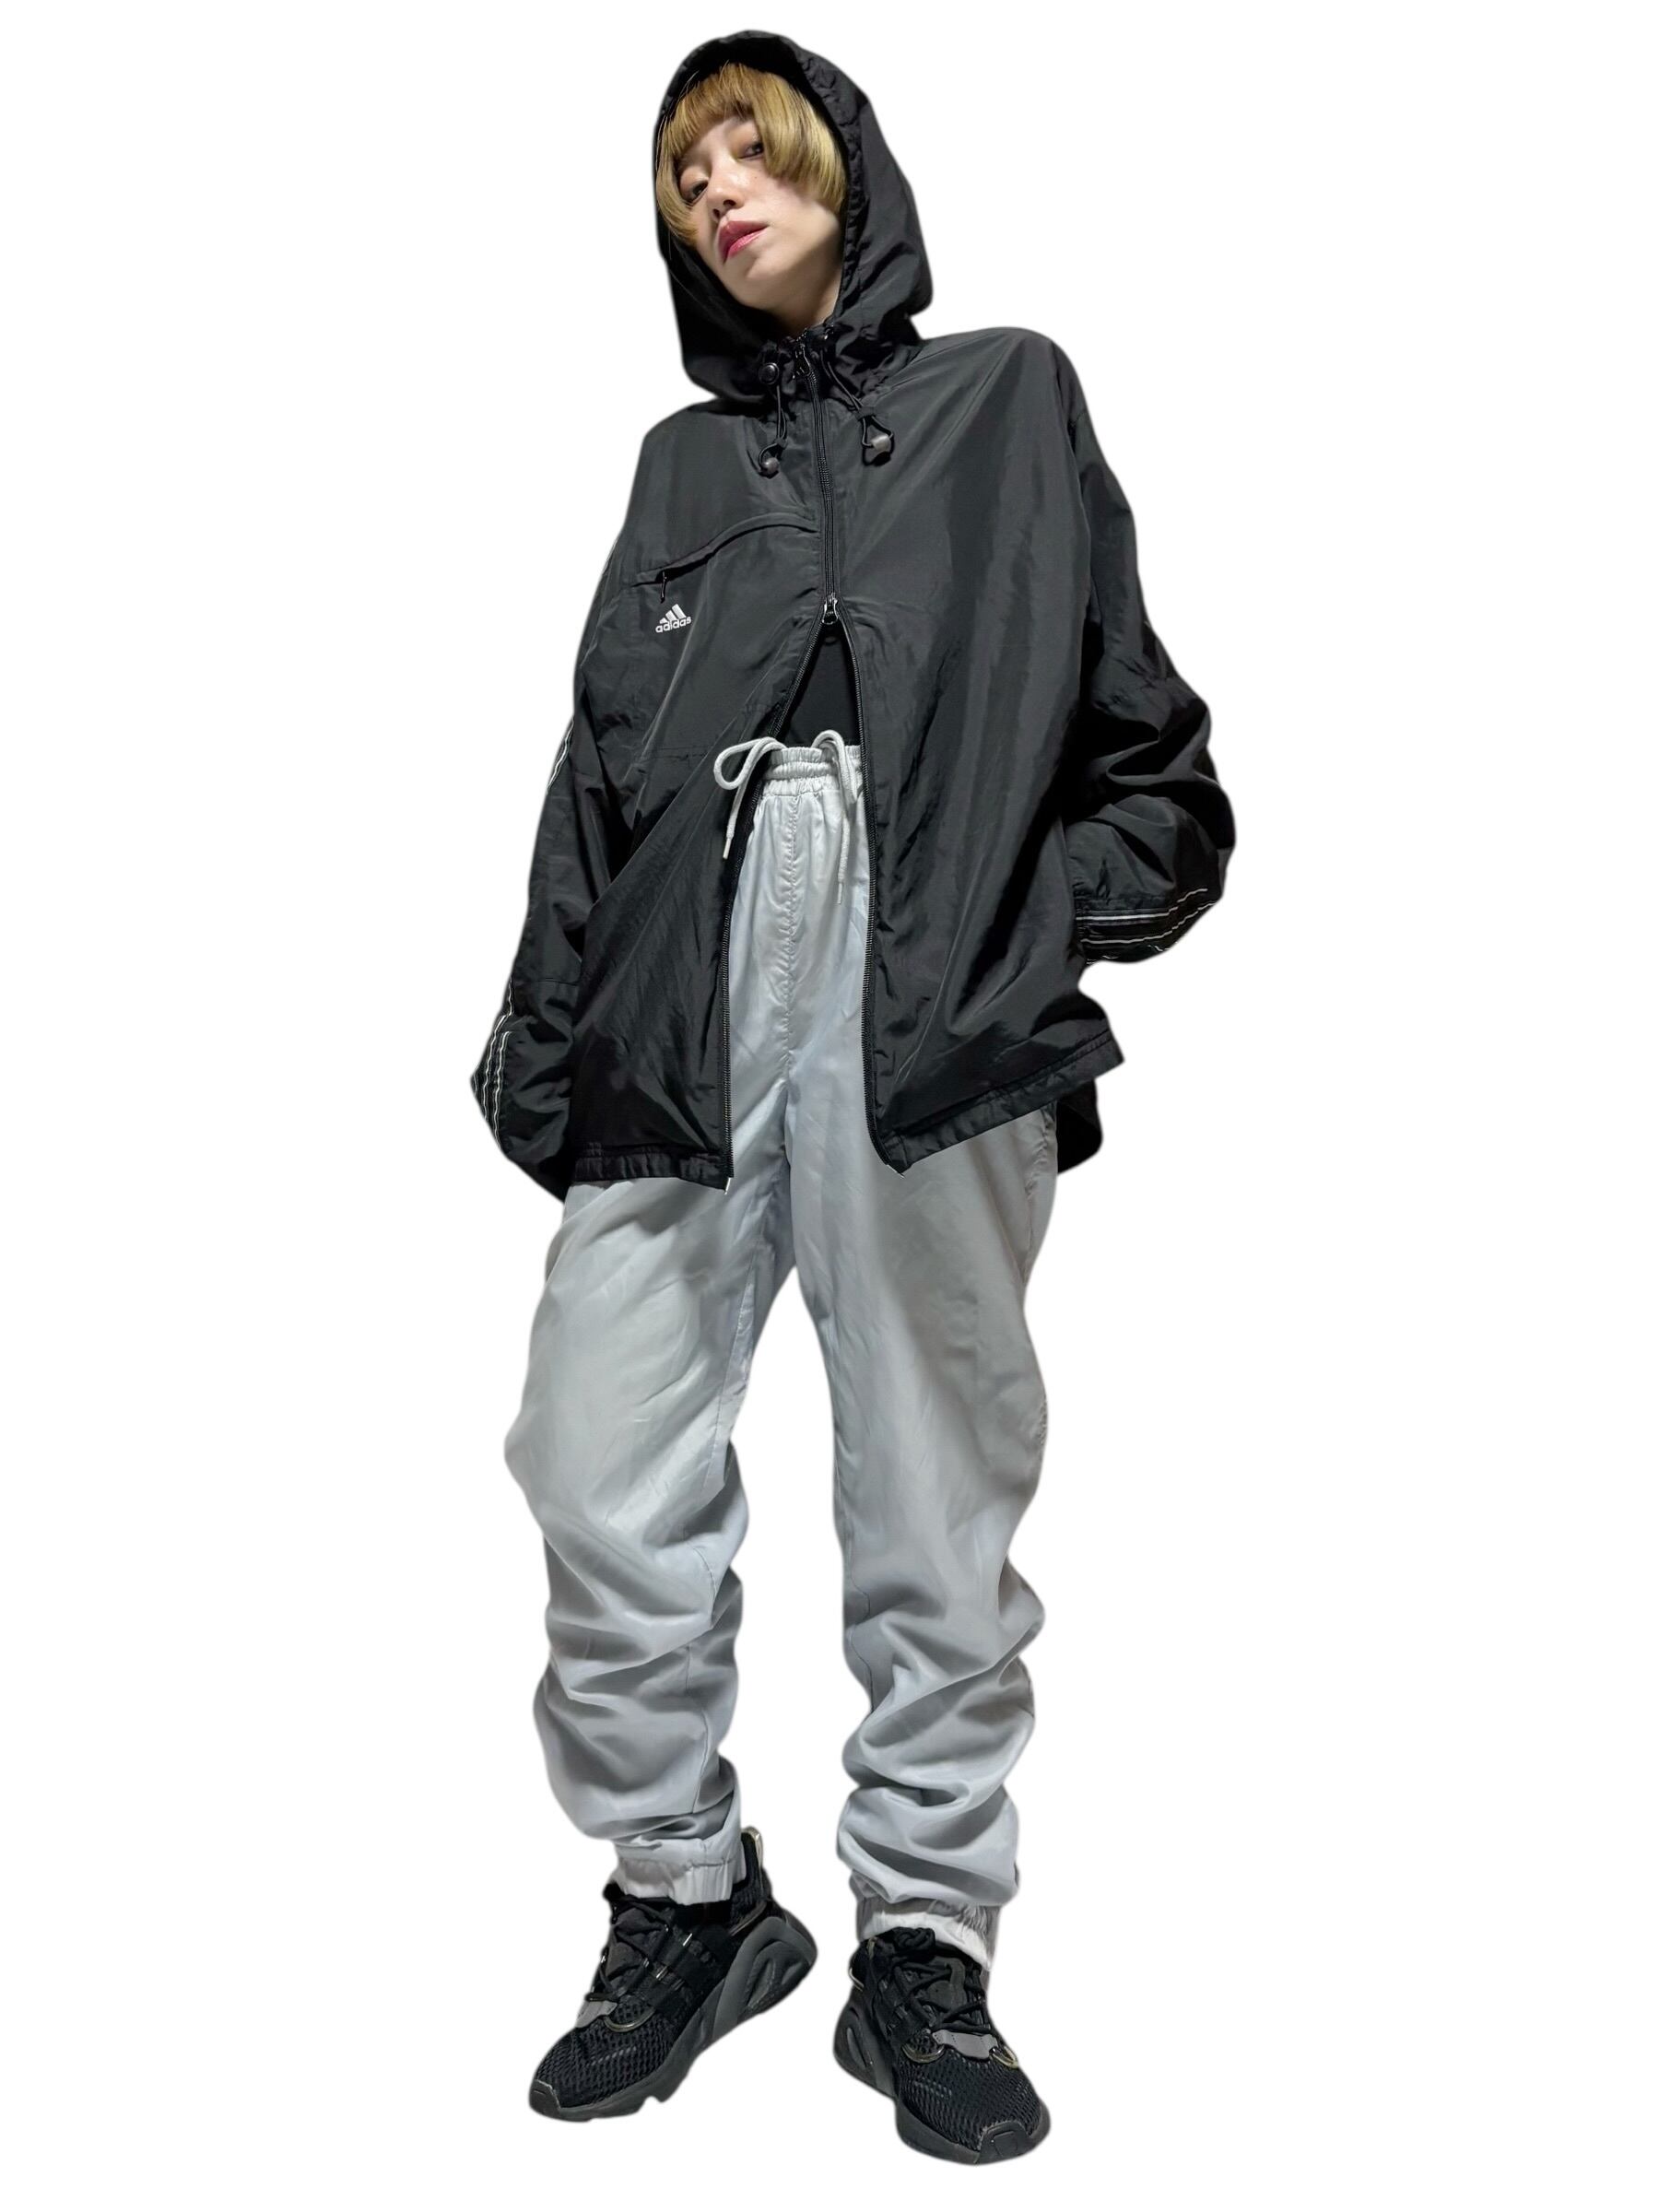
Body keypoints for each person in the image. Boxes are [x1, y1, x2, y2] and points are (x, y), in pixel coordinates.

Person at [470, 29, 1234, 2164]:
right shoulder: (676, 472)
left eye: (752, 148)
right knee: (594, 1470)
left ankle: (925, 1942)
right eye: (684, 173)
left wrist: (1013, 923)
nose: (718, 190)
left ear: (844, 169)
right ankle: (687, 1899)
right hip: (679, 1009)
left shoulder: (1011, 400)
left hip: (929, 1014)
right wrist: (545, 1058)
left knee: (932, 1501)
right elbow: (597, 789)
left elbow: (1158, 775)